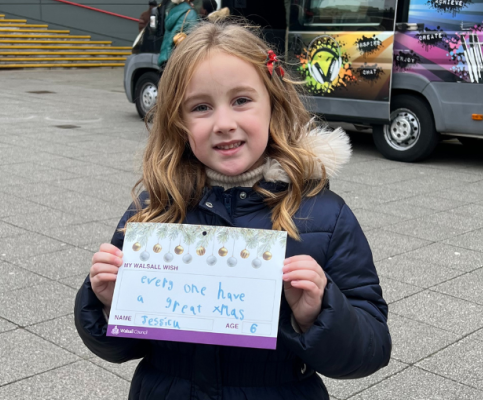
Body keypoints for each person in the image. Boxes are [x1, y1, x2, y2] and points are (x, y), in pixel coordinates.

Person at [75, 21, 391, 400]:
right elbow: (122, 348)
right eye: (201, 107)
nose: (224, 124)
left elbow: (371, 349)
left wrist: (318, 313)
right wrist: (109, 303)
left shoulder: (324, 215)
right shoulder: (154, 207)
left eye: (241, 100)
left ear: (273, 102)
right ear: (179, 121)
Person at [157, 0, 198, 67]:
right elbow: (194, 40)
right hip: (178, 60)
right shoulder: (191, 13)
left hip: (165, 58)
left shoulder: (171, 12)